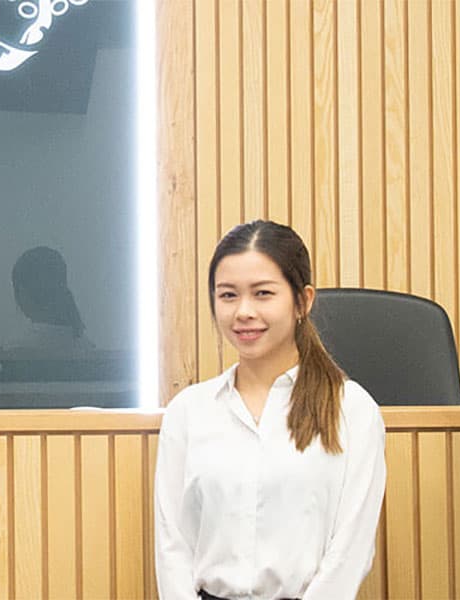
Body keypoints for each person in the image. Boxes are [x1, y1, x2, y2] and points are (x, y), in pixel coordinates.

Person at [153, 220, 386, 600]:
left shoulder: (351, 409)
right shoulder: (189, 412)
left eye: (263, 293)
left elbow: (351, 549)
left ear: (303, 301)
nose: (243, 311)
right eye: (228, 295)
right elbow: (172, 544)